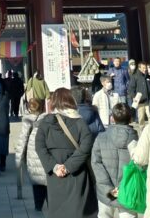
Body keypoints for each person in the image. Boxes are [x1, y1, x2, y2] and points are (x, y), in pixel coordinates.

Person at [35, 87, 99, 218]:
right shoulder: (79, 121)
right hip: (77, 173)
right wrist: (69, 166)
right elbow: (86, 146)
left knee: (59, 211)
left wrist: (54, 167)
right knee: (79, 210)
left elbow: (39, 147)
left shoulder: (45, 122)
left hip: (55, 176)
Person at [92, 102, 139, 218]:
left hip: (106, 193)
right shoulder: (137, 141)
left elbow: (96, 163)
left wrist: (108, 189)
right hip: (127, 191)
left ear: (112, 118)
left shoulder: (101, 138)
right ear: (130, 118)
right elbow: (139, 165)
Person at [15, 98, 49, 212]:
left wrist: (18, 159)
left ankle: (38, 206)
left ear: (29, 108)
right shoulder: (48, 120)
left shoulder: (27, 121)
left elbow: (22, 140)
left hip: (32, 155)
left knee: (37, 182)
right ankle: (52, 206)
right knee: (48, 182)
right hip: (46, 155)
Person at [128, 61, 150, 126]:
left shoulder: (148, 77)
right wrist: (134, 96)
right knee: (141, 117)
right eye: (143, 68)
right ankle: (142, 129)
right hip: (140, 101)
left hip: (148, 101)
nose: (145, 69)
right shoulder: (135, 76)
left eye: (145, 68)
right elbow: (131, 89)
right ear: (139, 68)